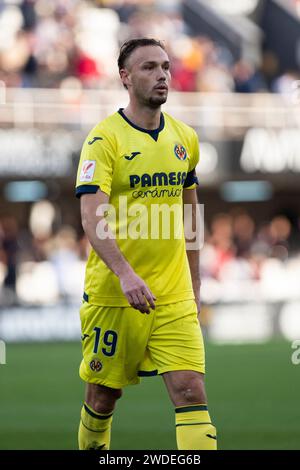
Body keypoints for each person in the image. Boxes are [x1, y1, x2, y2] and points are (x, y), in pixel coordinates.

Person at [75, 38, 217, 450]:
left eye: (166, 67)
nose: (162, 76)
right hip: (114, 295)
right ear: (125, 78)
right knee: (103, 396)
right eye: (149, 68)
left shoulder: (184, 138)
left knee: (191, 389)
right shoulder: (104, 140)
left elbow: (191, 216)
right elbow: (91, 216)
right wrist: (125, 274)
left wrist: (195, 285)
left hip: (172, 296)